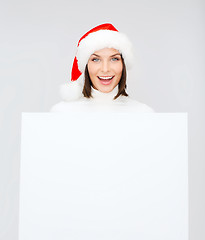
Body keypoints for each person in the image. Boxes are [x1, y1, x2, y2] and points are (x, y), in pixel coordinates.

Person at [50, 23, 154, 112]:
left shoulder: (142, 112)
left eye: (114, 59)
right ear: (86, 66)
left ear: (123, 64)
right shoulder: (63, 112)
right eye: (96, 59)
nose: (105, 69)